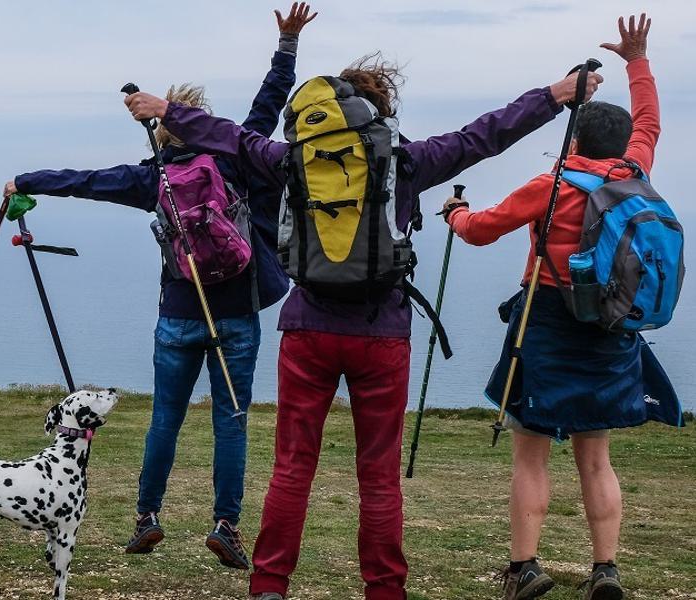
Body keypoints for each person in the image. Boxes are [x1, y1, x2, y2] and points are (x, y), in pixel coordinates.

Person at [124, 23, 602, 600]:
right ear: (377, 113)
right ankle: (384, 590)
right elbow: (485, 135)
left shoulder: (290, 160)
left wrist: (169, 109)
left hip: (306, 329)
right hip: (382, 333)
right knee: (378, 476)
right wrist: (554, 95)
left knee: (293, 468)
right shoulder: (407, 161)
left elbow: (229, 137)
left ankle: (270, 586)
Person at [1, 3, 316, 570]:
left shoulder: (153, 176)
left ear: (162, 129)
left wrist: (27, 180)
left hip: (177, 314)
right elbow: (268, 104)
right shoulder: (236, 157)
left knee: (165, 419)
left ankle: (147, 517)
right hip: (237, 314)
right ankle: (225, 526)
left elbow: (86, 181)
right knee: (232, 420)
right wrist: (287, 43)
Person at [442, 14, 676, 600]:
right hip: (611, 327)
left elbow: (480, 230)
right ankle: (605, 570)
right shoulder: (636, 171)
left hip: (544, 322)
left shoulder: (550, 186)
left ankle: (525, 568)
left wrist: (452, 215)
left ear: (574, 139)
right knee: (595, 458)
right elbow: (649, 120)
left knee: (531, 454)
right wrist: (637, 61)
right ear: (623, 144)